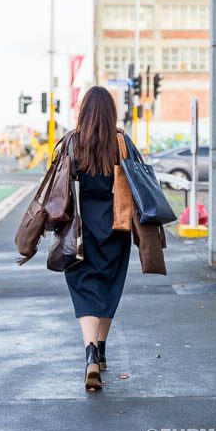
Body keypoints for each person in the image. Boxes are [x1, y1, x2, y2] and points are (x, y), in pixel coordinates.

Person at [64, 86, 131, 390]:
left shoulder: (72, 142)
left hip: (79, 233)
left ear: (84, 112)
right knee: (107, 288)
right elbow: (140, 180)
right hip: (117, 230)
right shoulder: (121, 141)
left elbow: (56, 183)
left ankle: (90, 353)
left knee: (85, 290)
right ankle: (101, 349)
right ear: (111, 112)